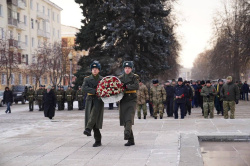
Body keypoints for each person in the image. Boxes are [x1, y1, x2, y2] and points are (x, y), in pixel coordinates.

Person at [83, 61, 104, 147]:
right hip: (89, 100)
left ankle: (88, 128)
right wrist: (95, 91)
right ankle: (98, 140)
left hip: (98, 100)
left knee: (94, 114)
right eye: (93, 69)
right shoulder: (87, 79)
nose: (94, 70)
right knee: (93, 120)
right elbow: (84, 88)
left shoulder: (102, 79)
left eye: (96, 69)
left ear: (99, 70)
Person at [118, 61, 139, 146]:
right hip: (123, 99)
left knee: (129, 117)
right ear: (124, 69)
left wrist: (126, 87)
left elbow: (136, 86)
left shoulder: (134, 77)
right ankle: (131, 140)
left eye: (129, 68)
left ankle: (126, 133)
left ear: (131, 69)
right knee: (124, 119)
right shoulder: (120, 78)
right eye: (126, 68)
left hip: (132, 99)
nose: (127, 69)